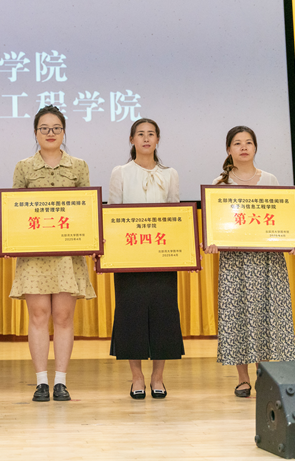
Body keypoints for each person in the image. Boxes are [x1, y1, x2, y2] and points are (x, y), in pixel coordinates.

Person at [204, 126, 295, 398]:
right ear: (229, 149)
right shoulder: (220, 184)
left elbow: (283, 217)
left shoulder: (270, 179)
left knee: (267, 315)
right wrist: (212, 241)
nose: (244, 147)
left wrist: (294, 240)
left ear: (255, 147)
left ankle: (265, 376)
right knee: (238, 314)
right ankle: (243, 379)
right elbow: (215, 223)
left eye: (248, 142)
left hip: (268, 259)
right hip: (235, 261)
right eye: (237, 143)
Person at [9, 105, 96, 402]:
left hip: (66, 254)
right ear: (35, 133)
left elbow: (86, 210)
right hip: (34, 253)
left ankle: (60, 381)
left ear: (64, 132)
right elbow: (14, 212)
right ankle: (41, 382)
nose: (50, 133)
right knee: (38, 315)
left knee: (62, 316)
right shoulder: (23, 167)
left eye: (56, 128)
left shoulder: (79, 166)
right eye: (44, 128)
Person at [108, 118, 184, 399]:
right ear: (132, 140)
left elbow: (176, 215)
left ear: (158, 140)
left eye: (151, 134)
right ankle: (137, 377)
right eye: (140, 134)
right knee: (131, 315)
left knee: (164, 314)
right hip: (129, 256)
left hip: (162, 255)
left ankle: (158, 377)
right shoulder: (120, 172)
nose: (146, 138)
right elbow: (113, 214)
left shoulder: (170, 174)